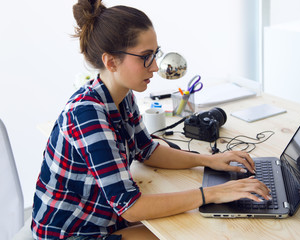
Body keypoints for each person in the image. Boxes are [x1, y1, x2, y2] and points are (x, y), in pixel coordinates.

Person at [31, 0, 271, 239]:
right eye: (146, 56)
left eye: (155, 54)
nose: (155, 66)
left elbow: (146, 150)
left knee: (195, 224)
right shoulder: (88, 117)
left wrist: (209, 160)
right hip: (70, 233)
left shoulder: (120, 95)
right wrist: (213, 193)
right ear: (111, 62)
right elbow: (131, 207)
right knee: (195, 230)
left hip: (101, 217)